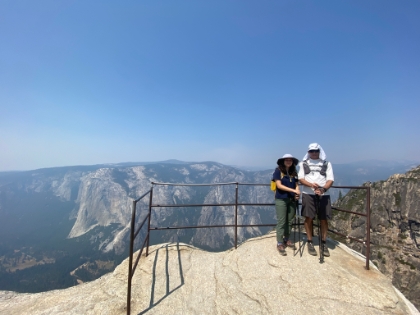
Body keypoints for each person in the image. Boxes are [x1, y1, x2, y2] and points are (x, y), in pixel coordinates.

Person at [298, 143, 334, 257]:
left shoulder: (327, 164)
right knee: (309, 217)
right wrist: (312, 186)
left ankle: (323, 242)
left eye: (316, 151)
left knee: (324, 219)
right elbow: (301, 179)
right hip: (308, 194)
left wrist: (322, 189)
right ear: (308, 152)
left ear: (319, 151)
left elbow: (330, 180)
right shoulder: (303, 164)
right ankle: (310, 241)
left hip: (323, 194)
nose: (314, 153)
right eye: (311, 151)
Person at [273, 154, 300, 256]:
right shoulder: (278, 171)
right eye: (286, 160)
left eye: (290, 160)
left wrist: (297, 194)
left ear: (292, 162)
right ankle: (279, 242)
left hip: (292, 199)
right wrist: (293, 190)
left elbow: (297, 185)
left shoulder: (294, 173)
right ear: (283, 161)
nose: (288, 161)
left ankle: (287, 239)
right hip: (281, 199)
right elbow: (279, 185)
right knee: (282, 221)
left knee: (289, 220)